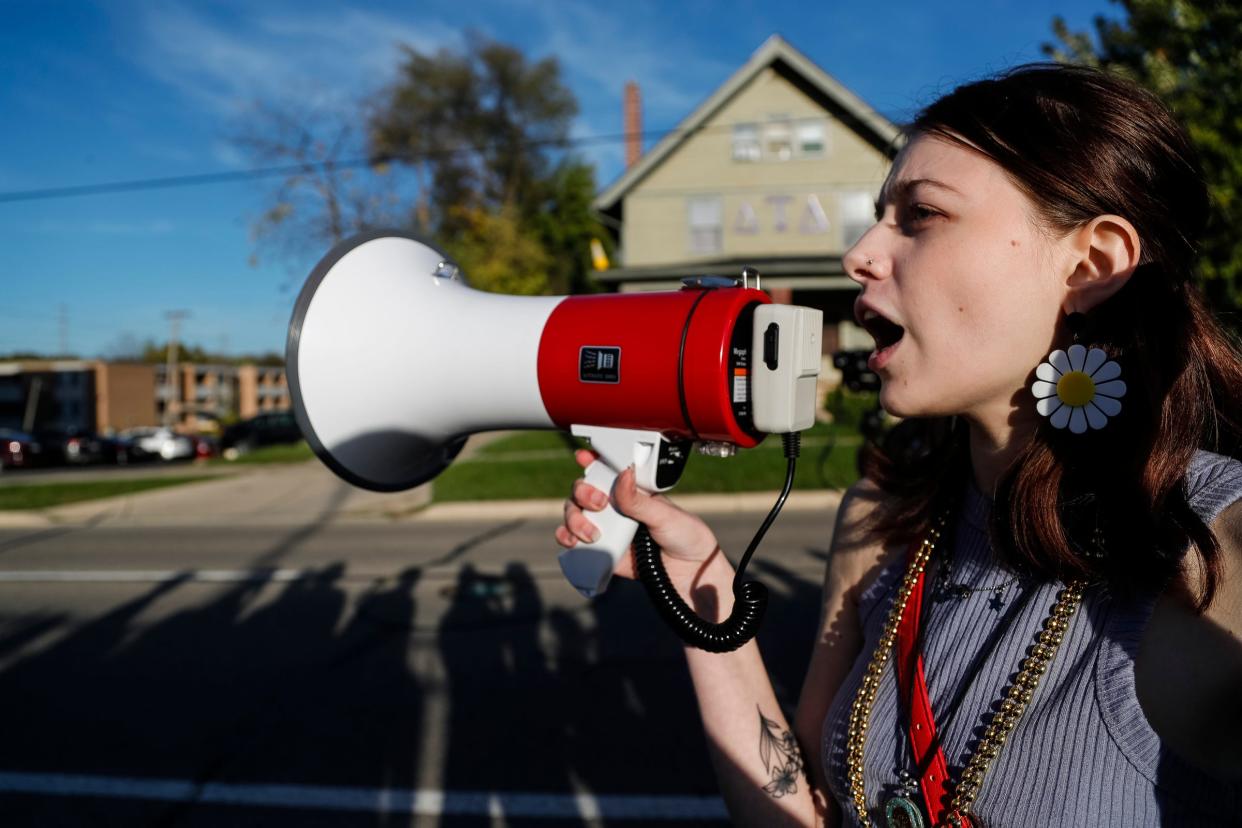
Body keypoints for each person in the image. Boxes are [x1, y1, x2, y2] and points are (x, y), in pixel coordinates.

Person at [555, 63, 1242, 827]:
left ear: (1091, 264)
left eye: (920, 215)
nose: (859, 253)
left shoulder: (1215, 550)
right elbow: (807, 812)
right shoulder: (881, 523)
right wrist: (699, 591)